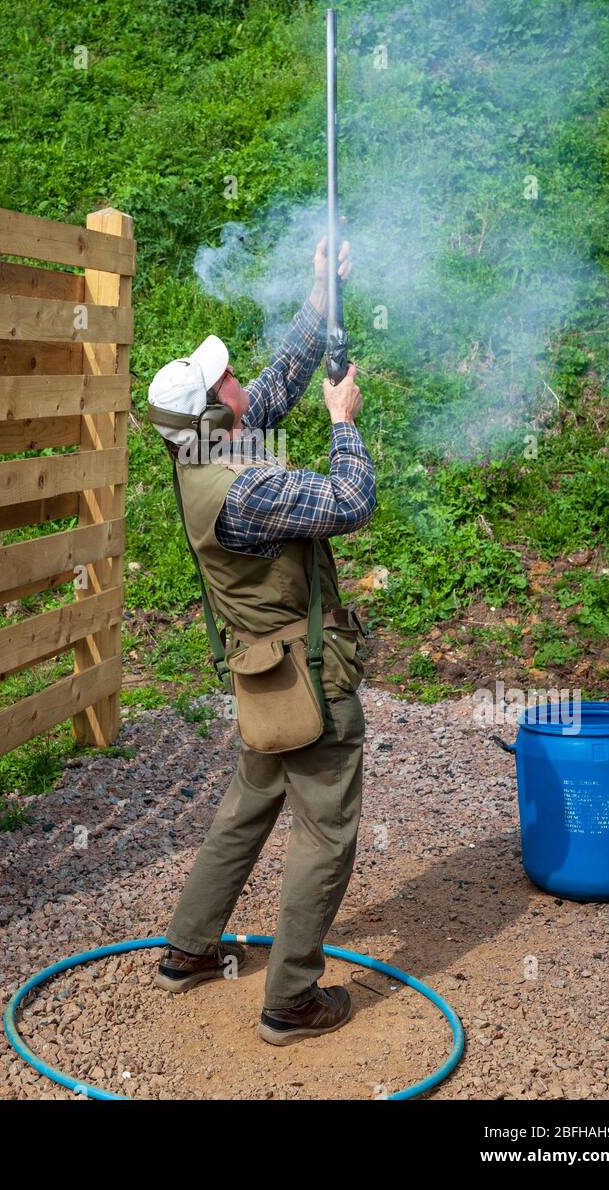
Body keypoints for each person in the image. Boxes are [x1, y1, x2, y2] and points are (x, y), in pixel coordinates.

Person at [145, 238, 376, 1045]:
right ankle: (292, 1001)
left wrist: (320, 294)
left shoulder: (203, 456)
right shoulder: (250, 490)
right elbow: (349, 499)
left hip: (260, 673)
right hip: (309, 677)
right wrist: (343, 423)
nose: (241, 381)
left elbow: (272, 389)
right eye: (225, 380)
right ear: (214, 412)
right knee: (325, 834)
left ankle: (188, 951)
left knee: (246, 807)